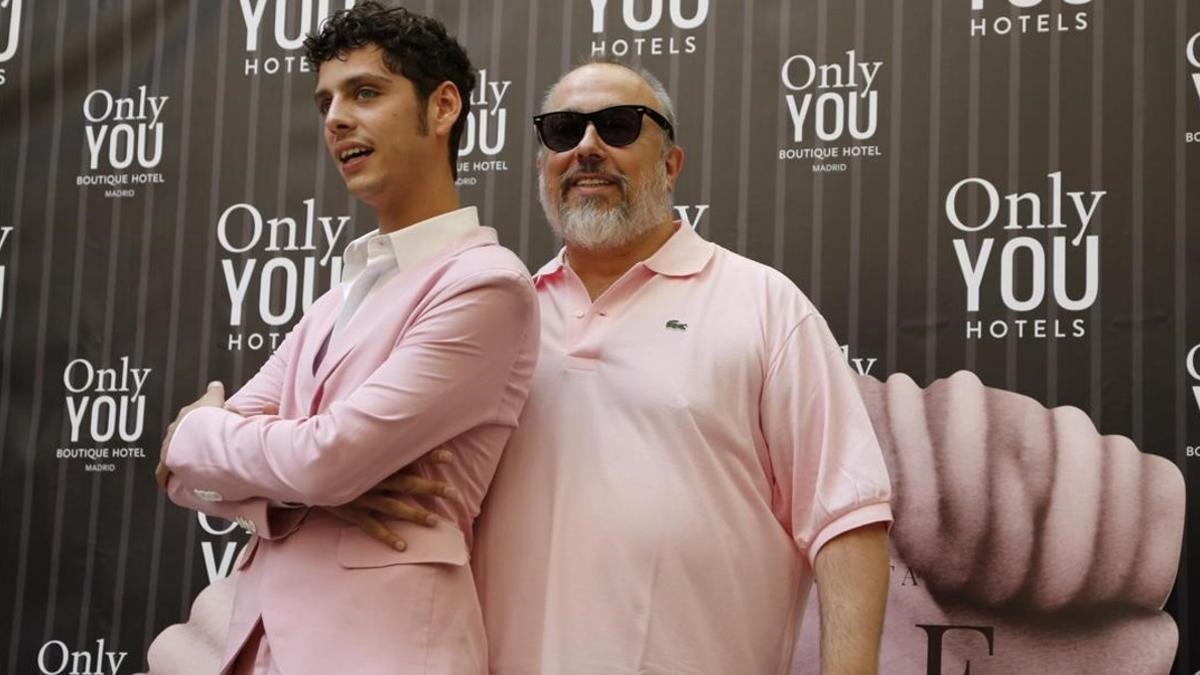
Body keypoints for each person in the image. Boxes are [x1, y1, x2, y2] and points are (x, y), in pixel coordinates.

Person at [467, 60, 894, 674]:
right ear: (543, 166)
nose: (587, 147)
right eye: (562, 131)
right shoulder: (501, 320)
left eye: (617, 126)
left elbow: (847, 517)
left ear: (670, 164)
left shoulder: (763, 304)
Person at [151, 4, 539, 674]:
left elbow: (325, 459)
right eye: (324, 100)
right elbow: (183, 478)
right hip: (241, 642)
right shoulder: (339, 294)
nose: (334, 118)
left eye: (365, 92)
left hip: (382, 651)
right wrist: (295, 484)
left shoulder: (487, 285)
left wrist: (196, 429)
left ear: (443, 107)